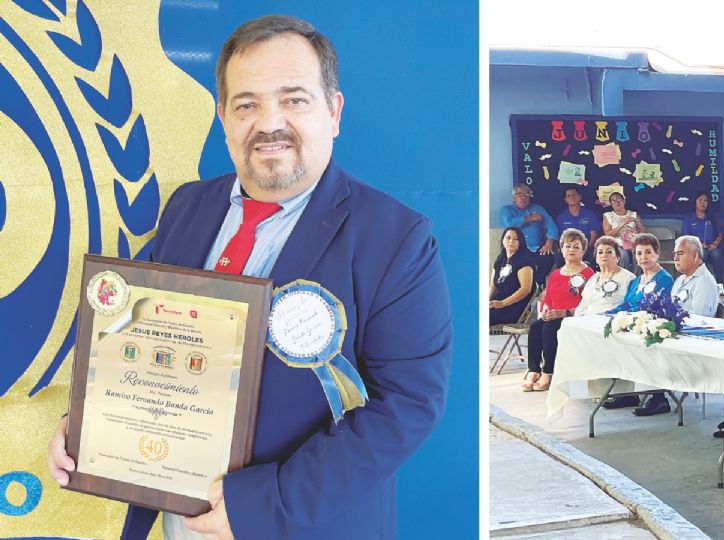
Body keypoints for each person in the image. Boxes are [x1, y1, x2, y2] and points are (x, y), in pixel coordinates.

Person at [48, 16, 452, 539]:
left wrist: (263, 503)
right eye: (247, 104)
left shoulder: (398, 238)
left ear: (333, 112)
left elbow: (409, 405)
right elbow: (143, 344)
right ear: (223, 117)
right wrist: (90, 426)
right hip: (176, 518)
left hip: (304, 524)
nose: (269, 122)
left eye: (294, 100)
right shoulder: (186, 207)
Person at [632, 235, 718, 417]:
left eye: (680, 254)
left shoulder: (703, 282)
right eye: (674, 254)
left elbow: (699, 320)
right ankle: (651, 395)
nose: (675, 258)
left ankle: (658, 398)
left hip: (692, 340)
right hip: (677, 335)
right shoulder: (681, 280)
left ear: (695, 256)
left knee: (650, 347)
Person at [522, 229, 595, 392]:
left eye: (576, 247)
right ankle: (534, 369)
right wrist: (546, 310)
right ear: (561, 249)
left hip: (575, 317)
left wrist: (565, 312)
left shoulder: (589, 274)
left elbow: (591, 304)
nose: (571, 250)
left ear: (583, 250)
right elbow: (548, 299)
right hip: (554, 315)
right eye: (568, 246)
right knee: (535, 327)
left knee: (549, 328)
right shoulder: (555, 274)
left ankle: (549, 371)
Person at [500, 184, 559, 285]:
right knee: (509, 266)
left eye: (527, 195)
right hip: (515, 249)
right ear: (514, 197)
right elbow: (509, 225)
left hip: (535, 248)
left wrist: (549, 243)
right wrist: (529, 218)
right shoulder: (506, 210)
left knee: (548, 257)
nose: (523, 197)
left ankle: (534, 285)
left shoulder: (538, 209)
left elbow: (551, 226)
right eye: (520, 195)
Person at [608, 234, 674, 314]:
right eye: (639, 253)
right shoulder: (635, 281)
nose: (643, 257)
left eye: (648, 252)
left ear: (657, 253)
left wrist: (625, 315)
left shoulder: (665, 279)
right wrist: (607, 314)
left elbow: (650, 307)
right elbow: (626, 305)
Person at [576, 236, 635, 316]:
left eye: (609, 252)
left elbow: (632, 306)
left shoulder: (628, 278)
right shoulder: (593, 279)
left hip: (612, 321)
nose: (604, 255)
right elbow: (583, 305)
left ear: (618, 257)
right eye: (600, 252)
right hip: (588, 321)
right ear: (596, 258)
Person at [490, 227, 535, 325]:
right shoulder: (500, 259)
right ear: (502, 240)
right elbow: (493, 286)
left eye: (516, 239)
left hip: (513, 306)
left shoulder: (524, 261)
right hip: (497, 303)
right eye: (508, 238)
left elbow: (525, 289)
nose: (511, 241)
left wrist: (502, 303)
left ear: (521, 242)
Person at [681, 192, 724, 291]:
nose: (703, 203)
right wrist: (698, 245)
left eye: (705, 200)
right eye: (700, 200)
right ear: (695, 202)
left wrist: (714, 244)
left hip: (711, 247)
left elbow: (720, 234)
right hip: (696, 248)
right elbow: (686, 237)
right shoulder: (689, 218)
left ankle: (720, 285)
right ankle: (700, 285)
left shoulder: (712, 217)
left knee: (717, 254)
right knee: (702, 255)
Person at [554, 187, 601, 261]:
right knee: (559, 257)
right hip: (568, 249)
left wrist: (585, 249)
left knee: (592, 257)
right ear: (565, 200)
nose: (571, 197)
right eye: (568, 196)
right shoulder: (561, 217)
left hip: (587, 248)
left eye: (574, 195)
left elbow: (594, 236)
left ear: (580, 197)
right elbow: (560, 238)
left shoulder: (590, 214)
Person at [602, 192, 645, 268]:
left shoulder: (633, 214)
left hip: (633, 244)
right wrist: (622, 224)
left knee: (639, 255)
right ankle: (624, 278)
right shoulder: (608, 215)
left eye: (619, 200)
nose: (617, 202)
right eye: (613, 201)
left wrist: (637, 222)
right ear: (611, 204)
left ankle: (636, 278)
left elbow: (644, 232)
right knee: (623, 255)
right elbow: (608, 235)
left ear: (624, 201)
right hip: (617, 245)